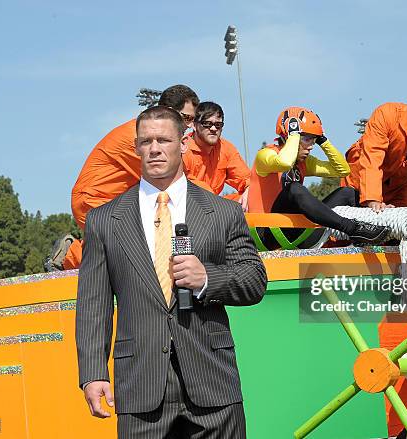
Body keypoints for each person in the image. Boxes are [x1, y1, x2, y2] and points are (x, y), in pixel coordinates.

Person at [75, 105, 267, 438]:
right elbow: (94, 305)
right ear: (136, 147)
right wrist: (93, 373)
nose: (154, 149)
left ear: (183, 143)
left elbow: (254, 280)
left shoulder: (222, 213)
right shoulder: (104, 221)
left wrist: (207, 278)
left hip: (214, 385)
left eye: (163, 139)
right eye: (146, 141)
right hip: (140, 388)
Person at [45, 85, 199, 271]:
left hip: (109, 199)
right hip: (93, 199)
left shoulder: (147, 134)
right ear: (169, 112)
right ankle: (70, 256)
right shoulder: (143, 139)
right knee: (130, 249)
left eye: (194, 119)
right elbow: (171, 180)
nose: (191, 125)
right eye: (187, 118)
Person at [248, 106, 390, 245]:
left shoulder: (304, 162)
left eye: (314, 141)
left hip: (296, 233)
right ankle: (352, 228)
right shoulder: (264, 155)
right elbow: (284, 163)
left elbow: (342, 170)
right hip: (266, 235)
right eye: (307, 140)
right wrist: (294, 135)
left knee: (348, 193)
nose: (311, 146)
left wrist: (324, 142)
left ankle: (378, 228)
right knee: (294, 188)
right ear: (290, 136)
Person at [183, 101, 250, 209]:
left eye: (218, 125)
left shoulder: (226, 148)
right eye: (207, 124)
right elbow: (186, 184)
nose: (213, 129)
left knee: (252, 196)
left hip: (214, 205)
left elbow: (245, 177)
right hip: (187, 207)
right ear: (194, 126)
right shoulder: (183, 148)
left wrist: (249, 188)